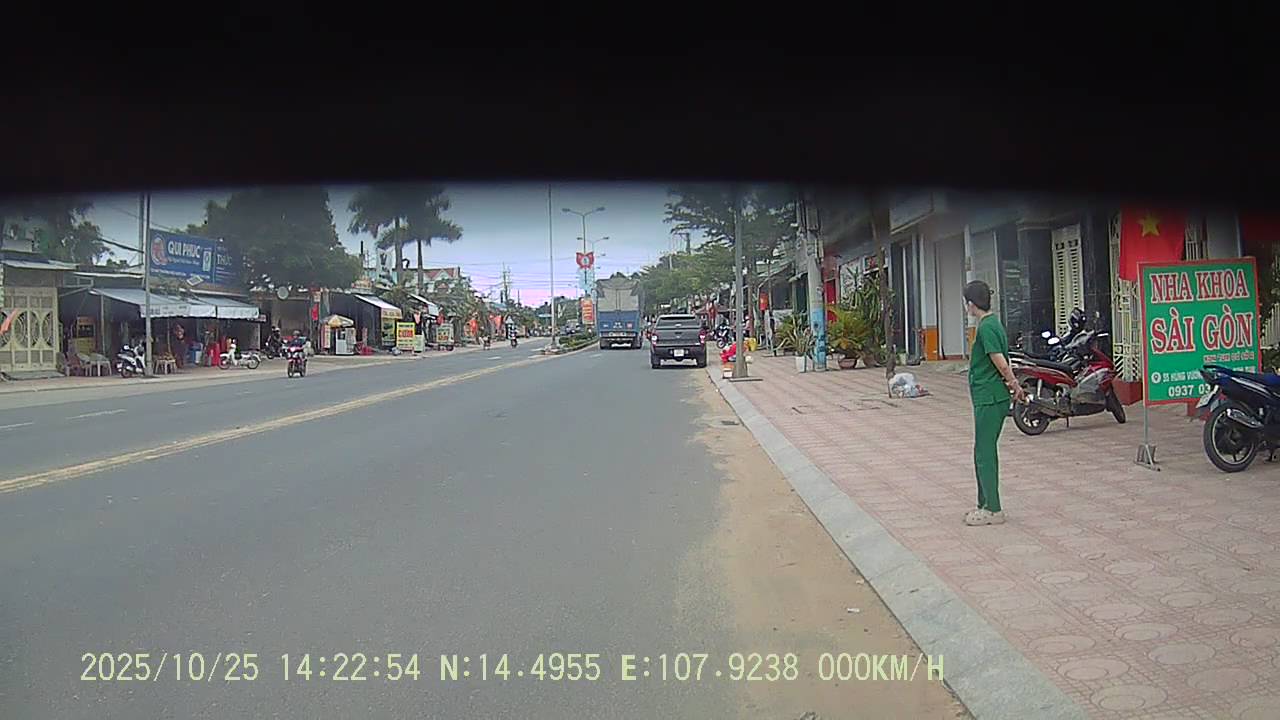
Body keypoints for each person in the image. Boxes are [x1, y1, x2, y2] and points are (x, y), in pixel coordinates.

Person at [963, 280, 1027, 527]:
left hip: (989, 397)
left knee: (985, 452)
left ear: (971, 304)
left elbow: (999, 361)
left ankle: (993, 508)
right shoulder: (992, 323)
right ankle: (983, 504)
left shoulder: (987, 327)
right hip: (989, 396)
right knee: (982, 450)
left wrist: (1015, 385)